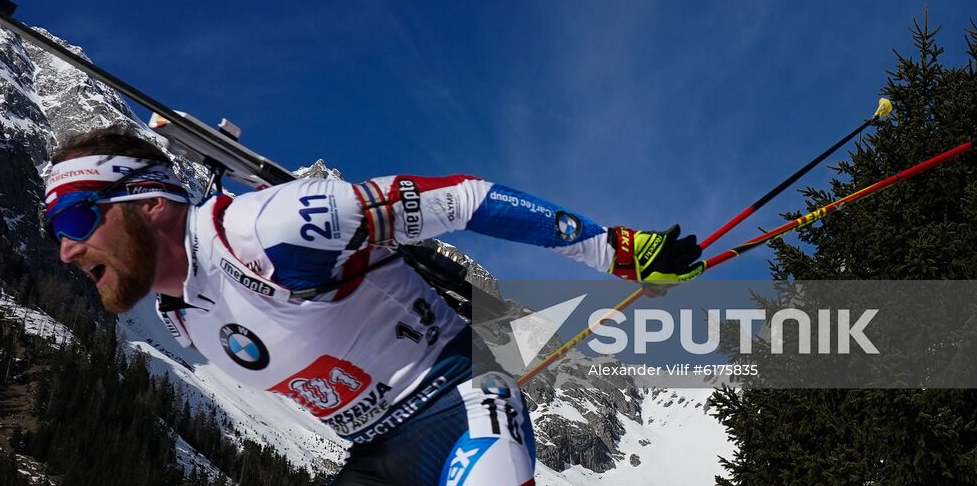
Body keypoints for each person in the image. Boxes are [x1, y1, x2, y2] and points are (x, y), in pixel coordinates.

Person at [43, 127, 702, 486]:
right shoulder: (177, 316)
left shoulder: (272, 228)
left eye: (77, 217)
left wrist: (619, 252)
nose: (68, 250)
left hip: (464, 401)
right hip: (374, 456)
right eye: (55, 232)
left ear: (153, 202)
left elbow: (464, 199)